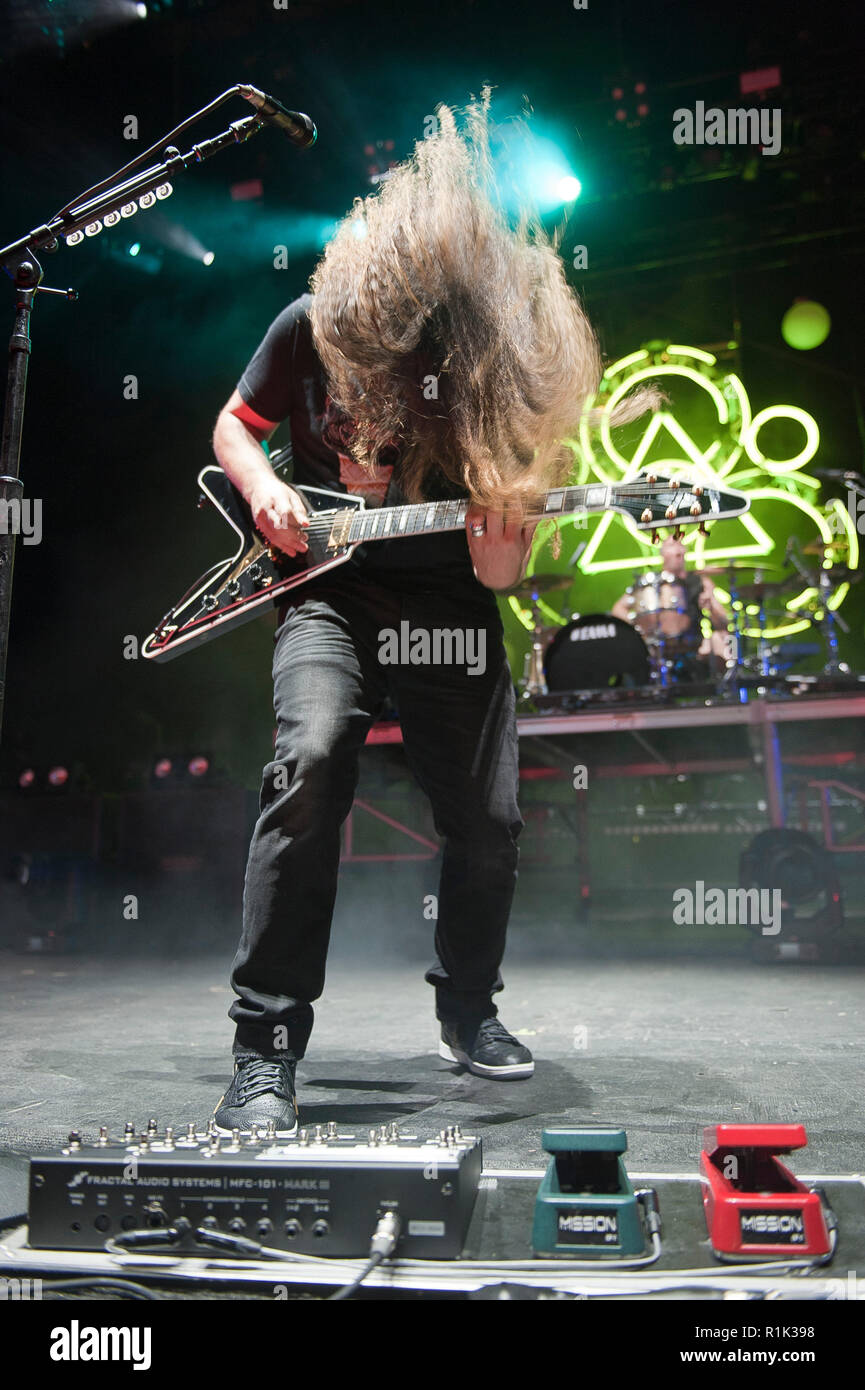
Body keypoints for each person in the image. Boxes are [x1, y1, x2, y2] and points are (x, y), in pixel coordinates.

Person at [209, 95, 658, 1136]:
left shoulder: (478, 370)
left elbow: (500, 576)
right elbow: (236, 424)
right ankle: (265, 1047)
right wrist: (266, 491)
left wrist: (504, 535)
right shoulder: (310, 325)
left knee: (489, 821)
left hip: (444, 601)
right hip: (324, 592)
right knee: (311, 761)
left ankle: (470, 1010)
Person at [612, 536, 730, 675]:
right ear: (662, 553)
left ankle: (726, 690)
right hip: (656, 644)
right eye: (672, 546)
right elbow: (618, 609)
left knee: (720, 638)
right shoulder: (650, 582)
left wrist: (711, 607)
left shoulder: (700, 581)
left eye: (680, 545)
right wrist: (640, 628)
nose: (678, 551)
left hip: (693, 644)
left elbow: (723, 623)